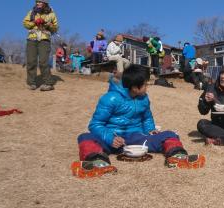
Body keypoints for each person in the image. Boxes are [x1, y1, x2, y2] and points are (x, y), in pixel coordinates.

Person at [77, 64, 205, 169]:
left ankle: (177, 156)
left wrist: (150, 130)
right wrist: (110, 138)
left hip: (137, 138)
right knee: (85, 137)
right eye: (145, 84)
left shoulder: (144, 98)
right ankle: (95, 162)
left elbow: (147, 118)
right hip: (113, 140)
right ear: (134, 87)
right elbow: (95, 124)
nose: (147, 87)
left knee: (170, 134)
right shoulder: (110, 98)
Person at [23, 0, 58, 91]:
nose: (37, 3)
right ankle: (31, 83)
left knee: (43, 61)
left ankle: (48, 83)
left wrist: (48, 24)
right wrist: (34, 22)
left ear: (45, 3)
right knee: (31, 61)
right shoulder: (31, 12)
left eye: (40, 1)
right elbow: (25, 23)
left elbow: (56, 28)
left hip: (44, 39)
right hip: (32, 38)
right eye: (36, 1)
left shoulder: (51, 14)